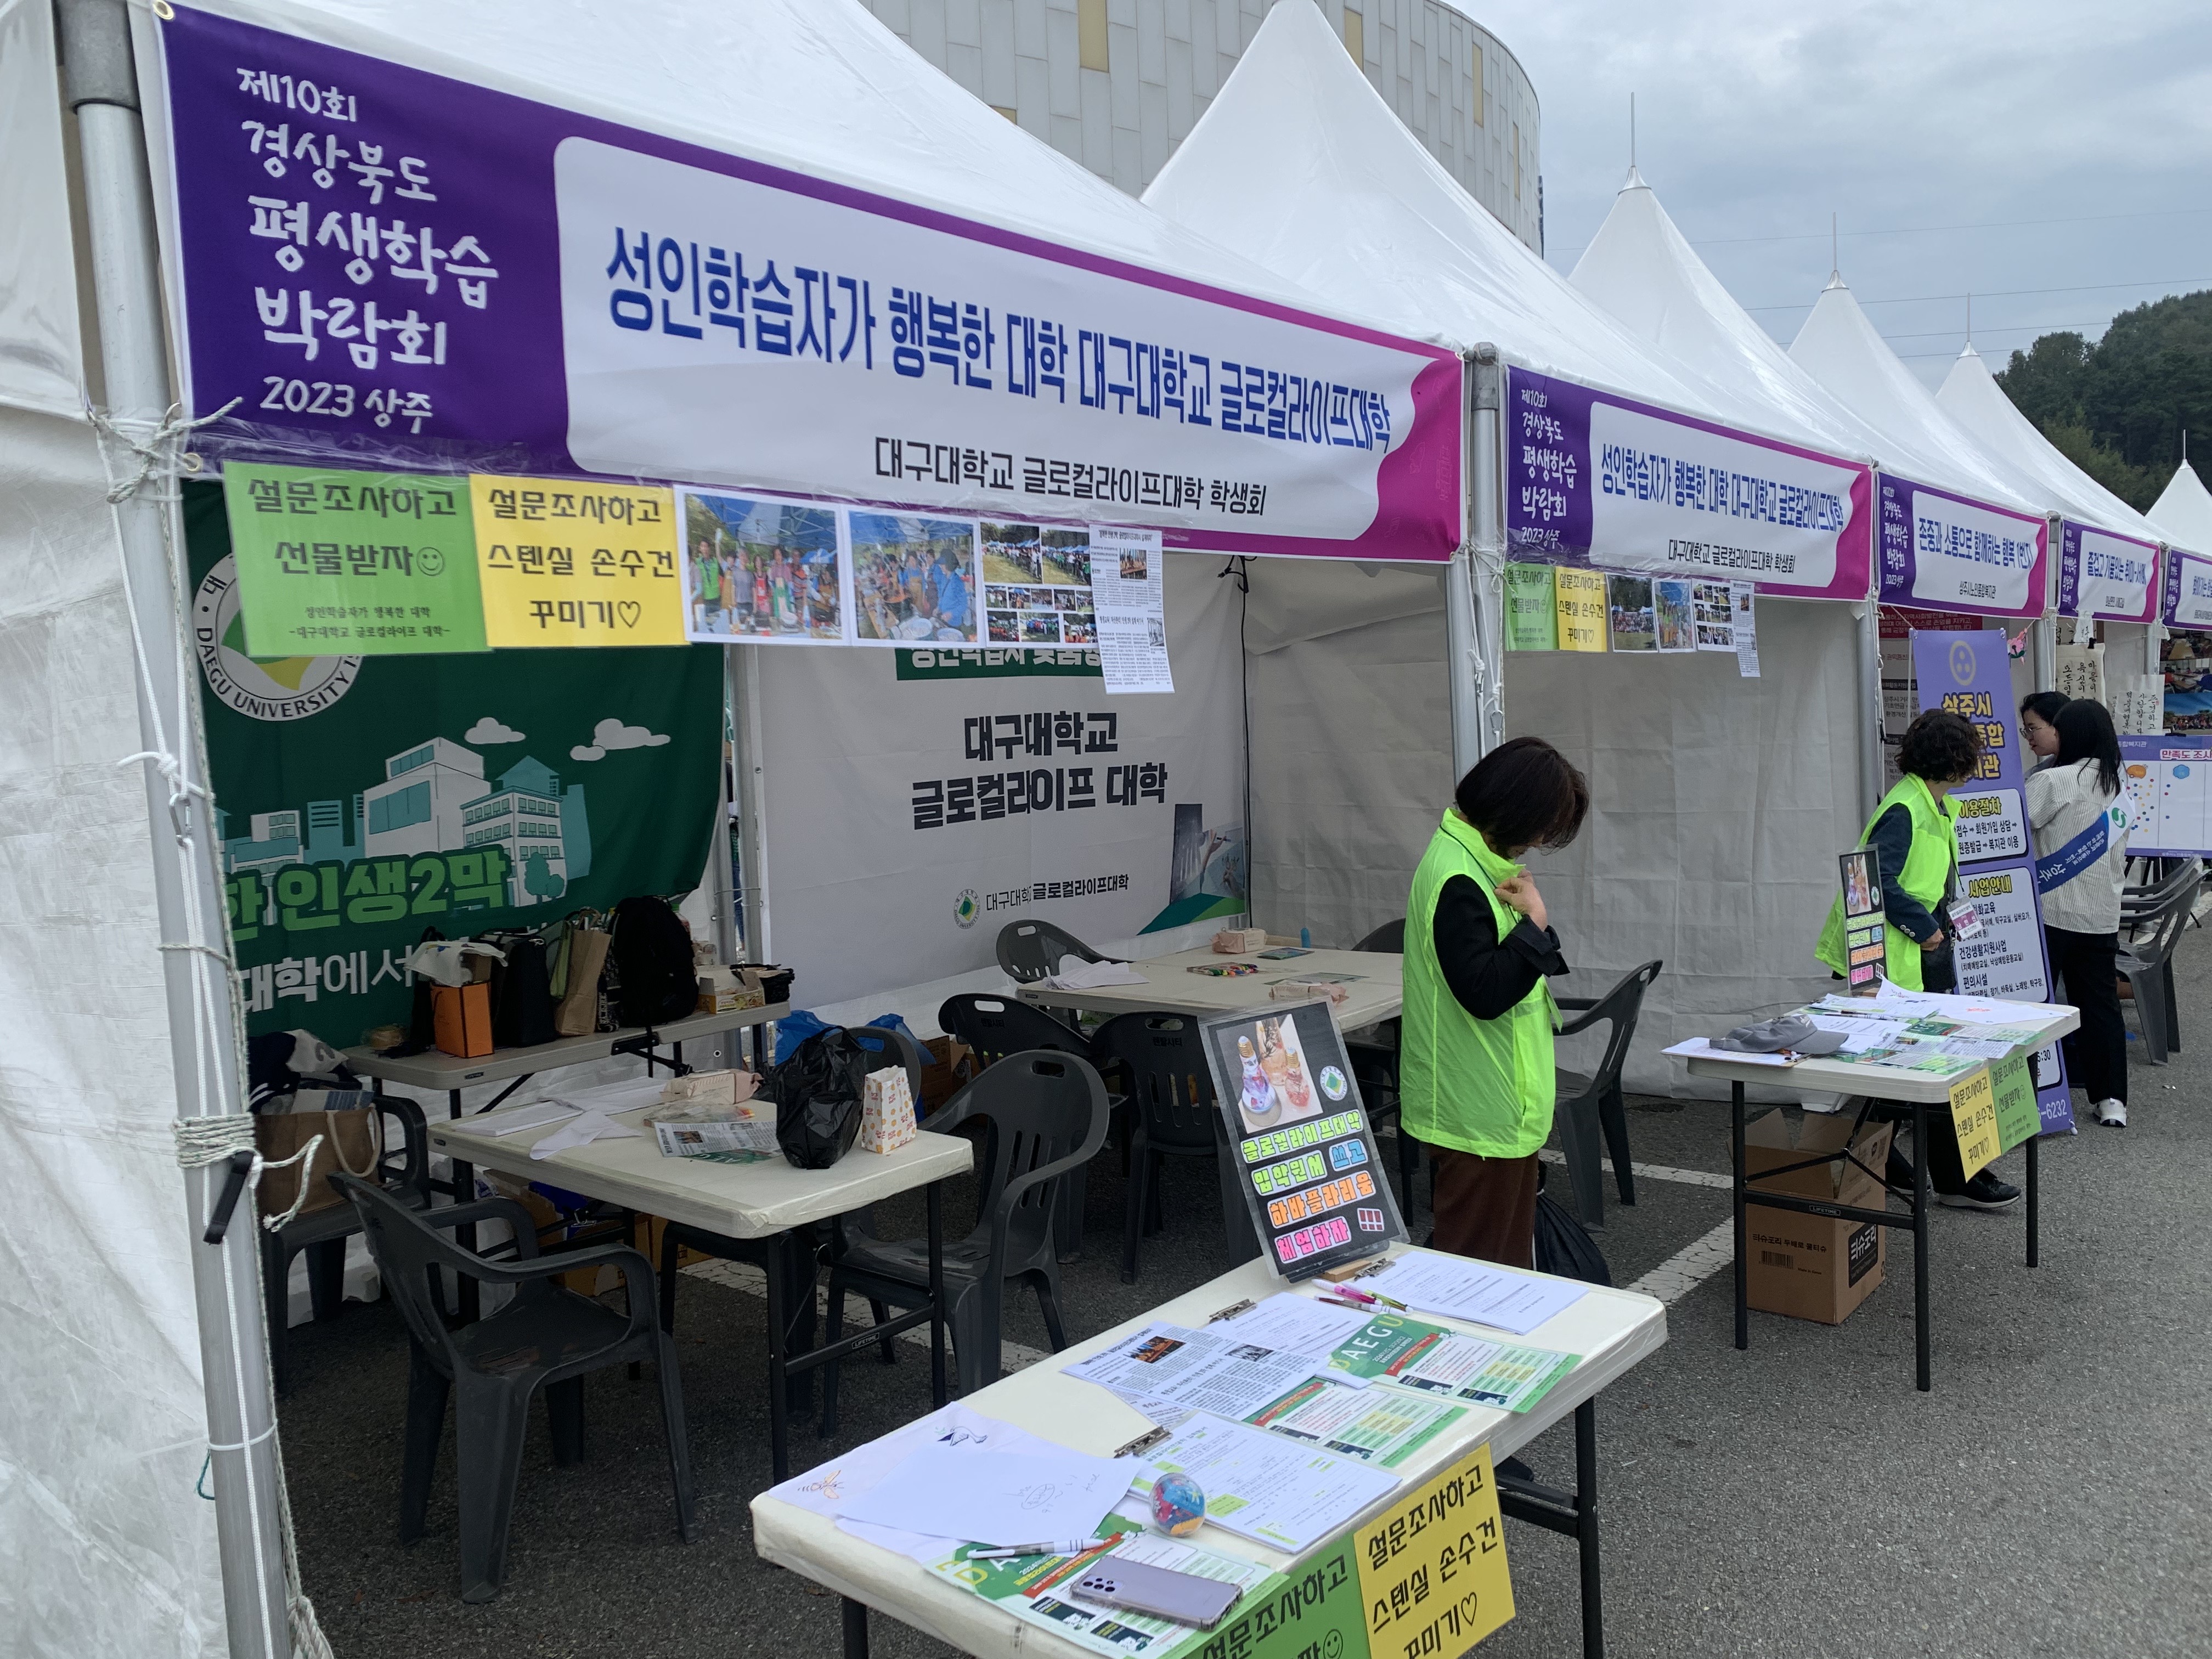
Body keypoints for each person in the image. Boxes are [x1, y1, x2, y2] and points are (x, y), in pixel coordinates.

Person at [1815, 709, 2019, 1209]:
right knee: (1922, 1062)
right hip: (1894, 954)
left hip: (1914, 949)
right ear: (1954, 761)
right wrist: (1926, 931)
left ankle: (1889, 1159)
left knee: (1914, 1063)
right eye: (1971, 755)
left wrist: (1942, 925)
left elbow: (1928, 880)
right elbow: (1871, 880)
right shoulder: (1907, 808)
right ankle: (1941, 1173)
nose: (1976, 765)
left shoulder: (1932, 804)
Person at [1400, 736, 1587, 1269]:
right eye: (1542, 828)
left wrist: (1532, 929)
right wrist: (1536, 924)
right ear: (1512, 812)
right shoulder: (1459, 876)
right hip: (1476, 1111)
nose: (1540, 841)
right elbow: (1484, 993)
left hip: (1493, 1106)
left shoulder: (1472, 862)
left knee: (1495, 1264)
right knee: (1479, 1272)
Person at [2028, 698, 2134, 1128]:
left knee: (2036, 1004)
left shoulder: (2053, 780)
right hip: (2101, 913)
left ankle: (2029, 1095)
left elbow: (2016, 827)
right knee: (2100, 1008)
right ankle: (2112, 1100)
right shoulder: (2119, 783)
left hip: (2050, 912)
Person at [2020, 690, 2067, 769]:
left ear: (2057, 725)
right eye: (2026, 731)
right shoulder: (2042, 768)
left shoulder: (2080, 768)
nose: (2028, 738)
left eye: (2032, 729)